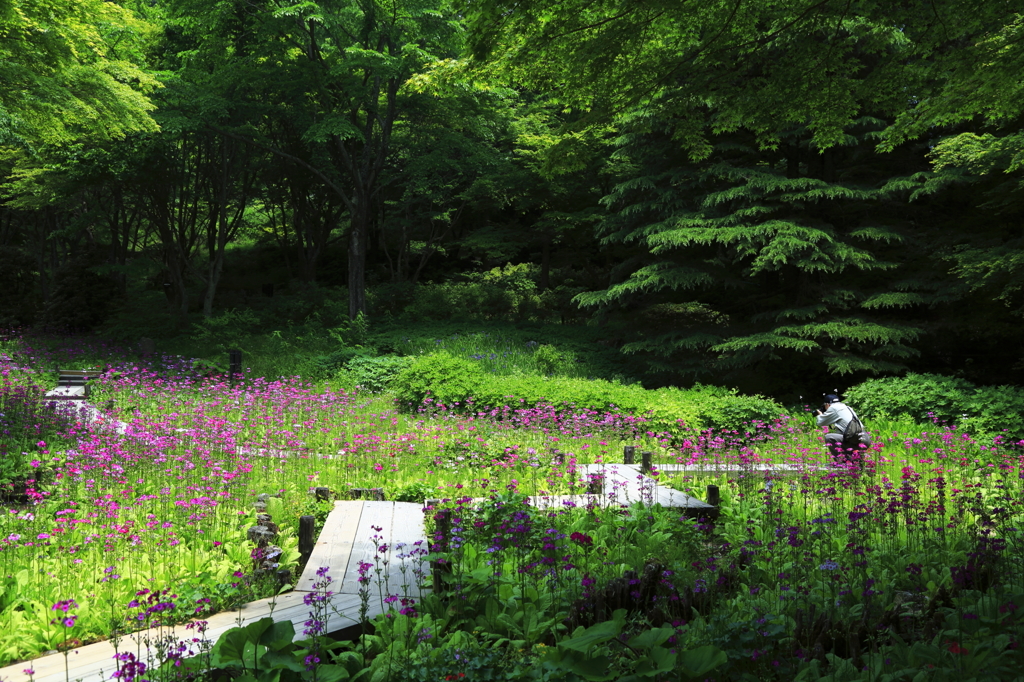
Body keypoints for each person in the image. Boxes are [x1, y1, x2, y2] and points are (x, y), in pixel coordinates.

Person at [815, 394, 863, 464]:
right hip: (863, 438)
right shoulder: (847, 407)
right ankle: (854, 461)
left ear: (827, 404)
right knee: (841, 437)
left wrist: (820, 414)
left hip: (853, 439)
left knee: (829, 437)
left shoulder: (833, 408)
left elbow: (820, 422)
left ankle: (842, 463)